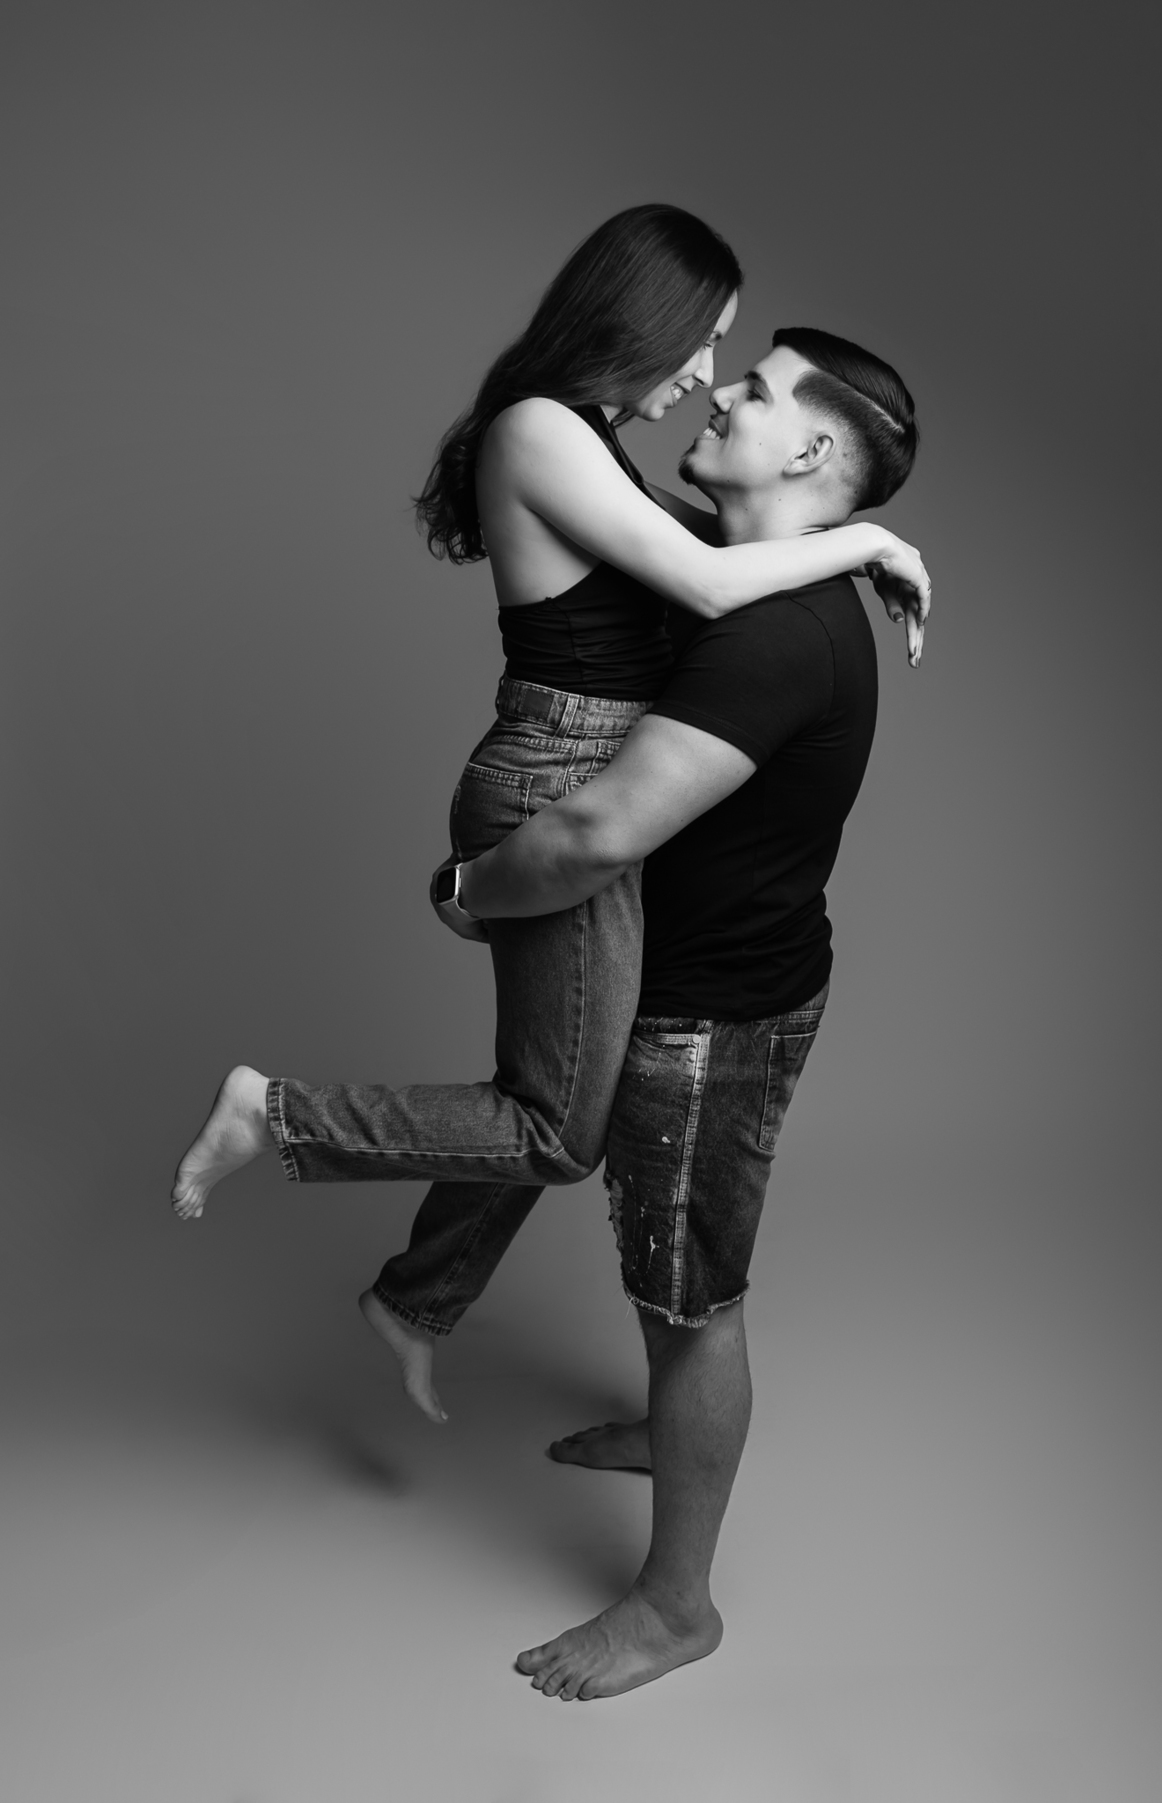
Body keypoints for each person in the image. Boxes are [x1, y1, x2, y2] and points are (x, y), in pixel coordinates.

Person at [171, 208, 928, 1424]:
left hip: (578, 763)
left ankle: (417, 1300)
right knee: (559, 1130)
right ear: (643, 317)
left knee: (560, 1088)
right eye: (703, 342)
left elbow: (700, 550)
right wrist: (869, 540)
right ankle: (273, 1112)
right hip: (553, 776)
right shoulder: (540, 430)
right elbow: (706, 580)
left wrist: (837, 543)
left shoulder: (587, 442)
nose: (704, 377)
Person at [414, 326, 917, 1697]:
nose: (719, 392)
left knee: (690, 1303)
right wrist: (871, 540)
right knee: (652, 1261)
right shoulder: (734, 570)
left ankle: (675, 1606)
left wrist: (470, 891)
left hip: (710, 1018)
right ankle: (664, 1433)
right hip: (686, 981)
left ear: (812, 451)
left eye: (755, 391)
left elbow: (596, 835)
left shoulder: (778, 635)